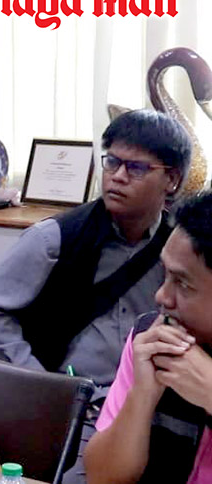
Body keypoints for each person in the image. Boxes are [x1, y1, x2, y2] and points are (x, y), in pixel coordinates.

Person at [0, 109, 192, 483]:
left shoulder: (179, 247)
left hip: (157, 402)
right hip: (80, 408)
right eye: (112, 162)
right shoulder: (55, 238)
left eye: (136, 168)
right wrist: (41, 381)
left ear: (171, 179)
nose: (117, 176)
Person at [85, 191, 212, 484]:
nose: (161, 296)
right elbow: (102, 478)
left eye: (183, 284)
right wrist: (142, 395)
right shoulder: (151, 338)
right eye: (165, 274)